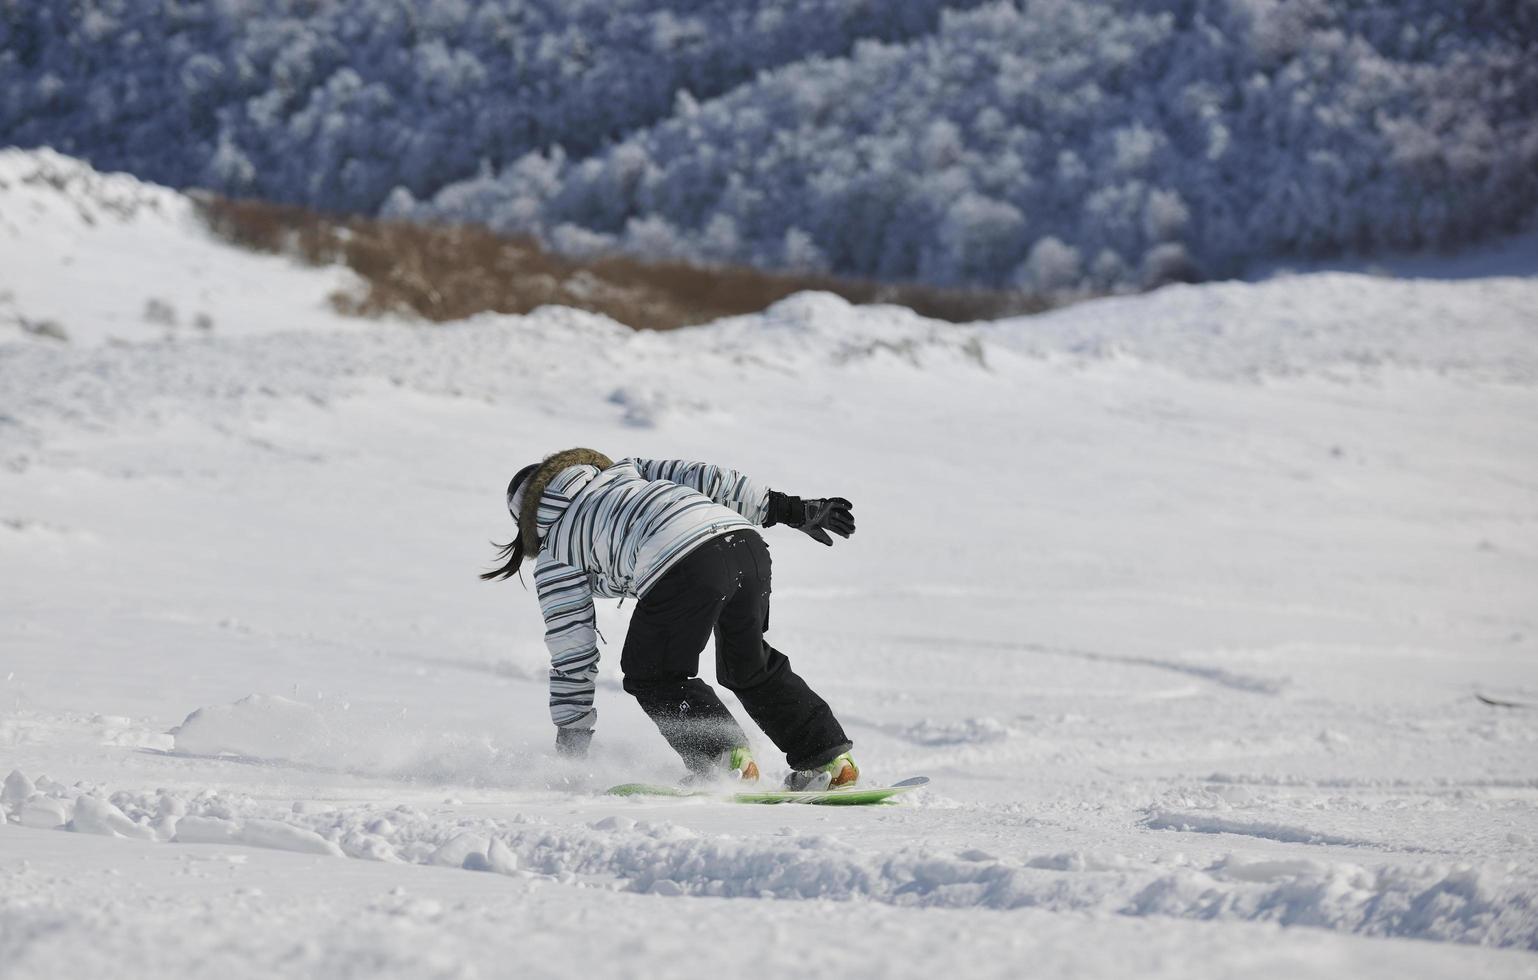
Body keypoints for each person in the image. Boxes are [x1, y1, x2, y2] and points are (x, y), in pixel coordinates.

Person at [482, 448, 860, 790]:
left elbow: (572, 648)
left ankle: (722, 761)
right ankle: (826, 757)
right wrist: (788, 509)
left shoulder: (556, 550)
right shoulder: (628, 470)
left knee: (653, 674)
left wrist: (572, 734)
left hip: (682, 563)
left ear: (525, 521)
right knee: (748, 665)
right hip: (745, 544)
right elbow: (709, 478)